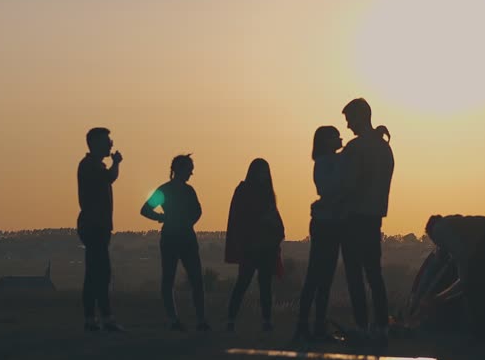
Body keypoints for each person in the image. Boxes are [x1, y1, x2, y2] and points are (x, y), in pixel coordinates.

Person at [338, 97, 395, 341]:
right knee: (373, 271)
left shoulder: (356, 148)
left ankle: (363, 325)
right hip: (373, 216)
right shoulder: (384, 148)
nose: (348, 125)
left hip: (354, 216)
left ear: (360, 117)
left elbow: (347, 183)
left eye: (350, 119)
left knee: (355, 273)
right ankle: (381, 325)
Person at [141, 154, 210, 332]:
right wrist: (163, 218)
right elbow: (145, 210)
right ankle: (178, 320)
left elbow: (197, 211)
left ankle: (198, 320)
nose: (191, 173)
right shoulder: (170, 190)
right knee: (174, 279)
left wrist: (168, 218)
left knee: (194, 279)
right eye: (189, 169)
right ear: (179, 170)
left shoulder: (180, 190)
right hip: (176, 237)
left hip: (183, 236)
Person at [295, 126, 346, 340]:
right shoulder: (326, 162)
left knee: (323, 278)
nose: (339, 138)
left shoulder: (330, 161)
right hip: (326, 223)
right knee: (317, 276)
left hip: (330, 222)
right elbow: (329, 187)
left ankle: (315, 325)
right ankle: (306, 324)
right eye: (334, 136)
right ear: (326, 141)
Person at [224, 158, 285, 332]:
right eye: (260, 171)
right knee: (243, 282)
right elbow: (238, 218)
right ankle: (231, 319)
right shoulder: (243, 190)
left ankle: (266, 320)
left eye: (265, 172)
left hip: (266, 246)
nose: (263, 175)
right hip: (250, 245)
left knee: (265, 285)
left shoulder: (267, 193)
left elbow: (274, 217)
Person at [77, 127, 124, 333]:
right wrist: (117, 163)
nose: (111, 144)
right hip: (95, 226)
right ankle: (106, 318)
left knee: (93, 274)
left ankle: (91, 319)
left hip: (95, 226)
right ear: (95, 143)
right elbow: (110, 178)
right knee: (102, 273)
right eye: (107, 140)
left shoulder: (92, 165)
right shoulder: (90, 166)